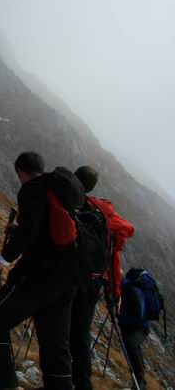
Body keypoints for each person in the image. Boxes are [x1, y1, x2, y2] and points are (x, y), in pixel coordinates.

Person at [0, 152, 77, 390]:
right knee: (54, 337)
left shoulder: (31, 189)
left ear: (20, 171)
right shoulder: (56, 189)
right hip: (69, 276)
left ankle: (3, 383)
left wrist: (2, 260)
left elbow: (30, 232)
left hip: (39, 273)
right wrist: (21, 228)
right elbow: (44, 228)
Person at [70, 166, 135, 390]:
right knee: (80, 332)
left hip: (66, 277)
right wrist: (115, 292)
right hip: (92, 282)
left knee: (59, 327)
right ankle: (82, 382)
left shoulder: (71, 204)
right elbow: (113, 254)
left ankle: (59, 379)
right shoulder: (103, 213)